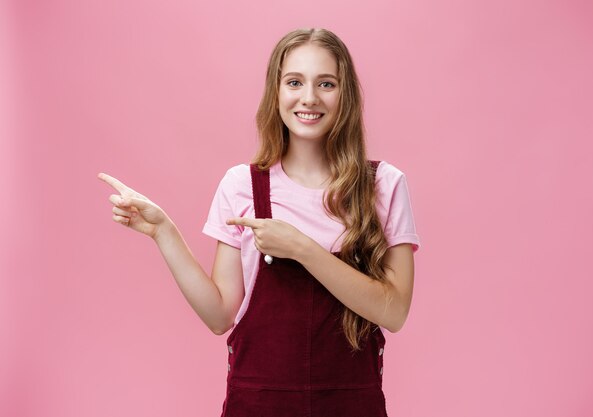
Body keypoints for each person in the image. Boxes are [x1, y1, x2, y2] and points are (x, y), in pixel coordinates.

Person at [98, 27, 420, 417]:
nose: (309, 98)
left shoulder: (384, 185)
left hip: (352, 405)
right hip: (258, 405)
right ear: (276, 92)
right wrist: (162, 230)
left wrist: (301, 249)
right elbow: (220, 317)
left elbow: (394, 312)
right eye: (295, 82)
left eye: (327, 83)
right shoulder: (242, 185)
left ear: (345, 94)